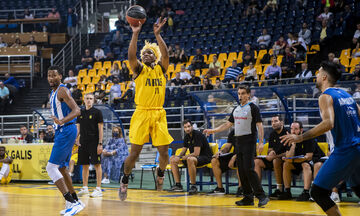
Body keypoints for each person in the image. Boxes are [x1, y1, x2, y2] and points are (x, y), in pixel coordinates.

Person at [281, 61, 360, 216]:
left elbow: (328, 123)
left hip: (345, 149)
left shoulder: (325, 96)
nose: (316, 76)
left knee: (318, 192)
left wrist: (300, 137)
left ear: (324, 77)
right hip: (357, 148)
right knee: (358, 188)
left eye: (318, 73)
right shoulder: (347, 96)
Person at [119, 17, 174, 201]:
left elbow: (166, 56)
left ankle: (160, 173)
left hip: (159, 113)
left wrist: (157, 35)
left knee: (164, 152)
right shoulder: (139, 70)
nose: (146, 55)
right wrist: (135, 34)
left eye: (150, 53)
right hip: (141, 113)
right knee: (134, 153)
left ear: (155, 56)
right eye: (144, 53)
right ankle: (124, 179)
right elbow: (131, 56)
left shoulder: (161, 69)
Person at [204, 85, 269, 207]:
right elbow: (227, 124)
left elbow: (259, 125)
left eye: (243, 93)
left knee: (249, 169)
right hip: (238, 141)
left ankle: (262, 196)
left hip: (249, 141)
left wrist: (261, 142)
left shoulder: (253, 108)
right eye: (239, 93)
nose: (241, 96)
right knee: (242, 170)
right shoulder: (236, 109)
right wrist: (213, 130)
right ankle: (248, 197)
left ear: (248, 94)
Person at [46, 65, 84, 215]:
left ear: (60, 76)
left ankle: (69, 202)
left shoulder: (62, 90)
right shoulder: (53, 92)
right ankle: (75, 200)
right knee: (61, 168)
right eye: (49, 75)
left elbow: (77, 110)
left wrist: (61, 121)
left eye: (54, 75)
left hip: (66, 129)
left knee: (51, 168)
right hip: (64, 131)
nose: (51, 78)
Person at [169, 120, 213, 194]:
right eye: (185, 127)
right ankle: (178, 185)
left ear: (192, 126)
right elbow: (184, 149)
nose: (187, 129)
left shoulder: (197, 135)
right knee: (172, 159)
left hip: (205, 157)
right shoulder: (187, 137)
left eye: (189, 126)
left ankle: (193, 186)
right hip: (195, 158)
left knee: (190, 159)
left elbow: (196, 153)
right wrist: (178, 157)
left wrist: (185, 157)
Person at [277, 121, 315, 201]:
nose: (293, 131)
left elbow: (308, 156)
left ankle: (306, 192)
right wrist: (293, 145)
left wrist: (292, 160)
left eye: (296, 129)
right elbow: (288, 156)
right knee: (286, 164)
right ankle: (287, 192)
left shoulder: (308, 137)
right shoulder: (290, 139)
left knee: (305, 165)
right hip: (298, 161)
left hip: (312, 160)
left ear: (301, 130)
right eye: (292, 129)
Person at [76, 93, 104, 198]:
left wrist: (100, 144)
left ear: (94, 100)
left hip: (94, 141)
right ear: (84, 99)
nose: (89, 100)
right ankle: (85, 188)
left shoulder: (97, 112)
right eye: (87, 98)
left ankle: (98, 188)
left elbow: (101, 128)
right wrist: (76, 138)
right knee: (84, 165)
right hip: (83, 142)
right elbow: (78, 128)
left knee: (97, 164)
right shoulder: (80, 112)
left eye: (91, 99)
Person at [254, 115, 287, 198]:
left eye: (276, 121)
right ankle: (258, 190)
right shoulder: (272, 134)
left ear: (282, 122)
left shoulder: (287, 133)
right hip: (274, 158)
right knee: (256, 162)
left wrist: (275, 156)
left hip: (284, 160)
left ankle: (279, 189)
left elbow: (288, 153)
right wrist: (271, 152)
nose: (273, 124)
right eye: (272, 122)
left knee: (276, 161)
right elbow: (270, 149)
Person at [209, 130, 243, 196]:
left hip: (244, 155)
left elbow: (246, 149)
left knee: (240, 161)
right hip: (234, 155)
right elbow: (227, 147)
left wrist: (234, 158)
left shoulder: (247, 131)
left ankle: (241, 188)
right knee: (214, 160)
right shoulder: (233, 132)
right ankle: (220, 188)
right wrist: (220, 152)